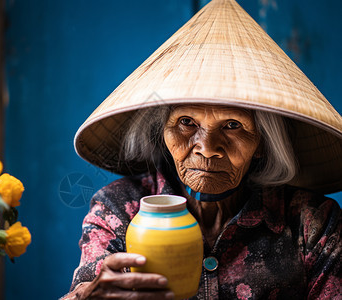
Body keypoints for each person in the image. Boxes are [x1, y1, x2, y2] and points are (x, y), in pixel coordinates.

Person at [62, 0, 342, 299]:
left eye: (233, 125)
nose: (207, 149)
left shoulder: (311, 222)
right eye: (186, 123)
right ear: (162, 135)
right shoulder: (120, 209)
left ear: (262, 143)